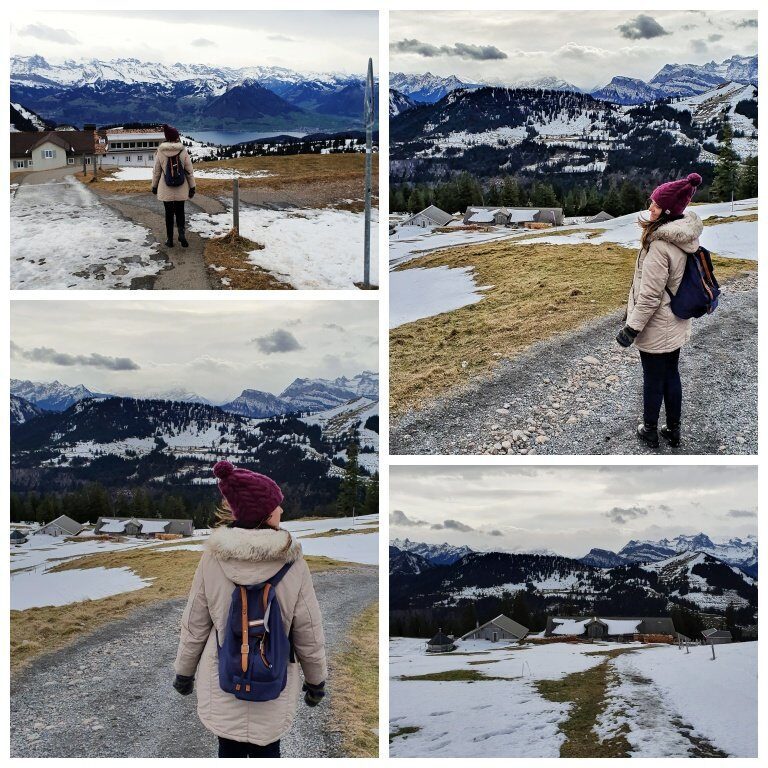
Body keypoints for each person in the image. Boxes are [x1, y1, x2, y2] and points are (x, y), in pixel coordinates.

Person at [173, 461, 327, 758]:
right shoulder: (293, 564)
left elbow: (195, 624)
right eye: (276, 506)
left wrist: (184, 672)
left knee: (227, 749)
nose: (282, 511)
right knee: (268, 749)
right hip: (273, 681)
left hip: (224, 680)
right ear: (265, 515)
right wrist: (316, 680)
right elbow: (309, 630)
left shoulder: (212, 560)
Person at [616, 172, 704, 449]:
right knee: (671, 374)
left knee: (653, 378)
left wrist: (632, 328)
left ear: (666, 211)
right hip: (675, 321)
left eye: (654, 204)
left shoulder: (660, 247)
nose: (650, 207)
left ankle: (650, 430)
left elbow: (651, 296)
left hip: (657, 324)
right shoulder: (684, 239)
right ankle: (673, 431)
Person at [152, 124, 196, 248]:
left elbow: (157, 171)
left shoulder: (160, 151)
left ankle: (170, 240)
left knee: (169, 214)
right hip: (181, 187)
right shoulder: (183, 150)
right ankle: (181, 234)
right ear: (176, 137)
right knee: (180, 212)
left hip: (165, 188)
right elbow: (189, 171)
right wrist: (192, 186)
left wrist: (154, 186)